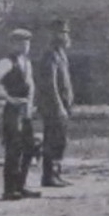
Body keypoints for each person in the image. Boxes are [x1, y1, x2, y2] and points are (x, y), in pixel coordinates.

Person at [0, 27, 41, 200]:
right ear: (12, 44)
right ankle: (9, 189)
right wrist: (8, 98)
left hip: (26, 112)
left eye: (27, 42)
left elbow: (30, 86)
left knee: (29, 147)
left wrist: (31, 106)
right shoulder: (7, 62)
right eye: (20, 42)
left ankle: (21, 185)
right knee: (13, 149)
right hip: (13, 111)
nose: (24, 45)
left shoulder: (27, 62)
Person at [34, 17, 75, 187]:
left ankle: (56, 173)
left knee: (60, 140)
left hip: (63, 105)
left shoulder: (61, 54)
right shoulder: (50, 55)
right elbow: (50, 84)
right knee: (52, 140)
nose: (65, 36)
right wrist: (59, 106)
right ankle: (48, 176)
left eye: (66, 33)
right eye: (61, 33)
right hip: (53, 107)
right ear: (54, 35)